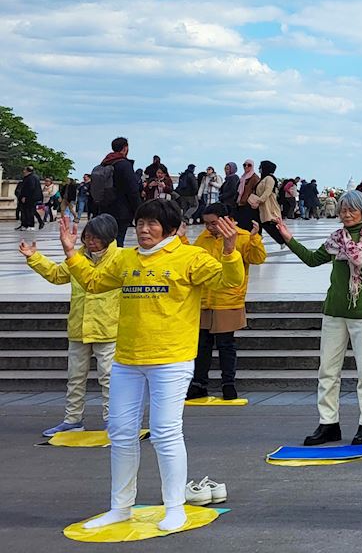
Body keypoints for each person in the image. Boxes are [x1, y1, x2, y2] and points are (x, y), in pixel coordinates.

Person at [59, 199, 244, 534]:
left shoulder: (190, 257)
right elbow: (94, 282)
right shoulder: (126, 259)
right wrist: (72, 253)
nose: (144, 230)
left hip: (171, 360)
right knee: (121, 433)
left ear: (170, 228)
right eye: (140, 223)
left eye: (152, 224)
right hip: (128, 360)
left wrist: (230, 249)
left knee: (165, 432)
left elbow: (227, 281)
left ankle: (175, 507)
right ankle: (120, 507)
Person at [274, 192, 362, 446]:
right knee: (327, 370)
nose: (347, 214)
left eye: (352, 210)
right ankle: (328, 423)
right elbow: (313, 260)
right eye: (343, 210)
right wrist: (288, 237)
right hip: (335, 311)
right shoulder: (336, 239)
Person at [20, 213, 120, 435]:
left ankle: (112, 420)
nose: (90, 241)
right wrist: (34, 257)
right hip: (79, 328)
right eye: (88, 237)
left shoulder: (121, 258)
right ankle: (73, 419)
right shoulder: (78, 257)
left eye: (96, 238)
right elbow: (57, 275)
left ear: (108, 237)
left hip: (109, 329)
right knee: (75, 377)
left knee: (109, 378)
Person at [187, 203, 267, 401]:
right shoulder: (203, 238)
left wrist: (255, 238)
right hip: (205, 300)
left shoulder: (241, 237)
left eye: (214, 223)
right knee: (202, 345)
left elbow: (257, 258)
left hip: (228, 298)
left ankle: (228, 383)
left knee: (226, 345)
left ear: (227, 220)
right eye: (206, 223)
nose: (210, 228)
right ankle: (199, 383)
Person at [90, 137, 142, 247]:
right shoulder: (124, 165)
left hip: (104, 208)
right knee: (118, 240)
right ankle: (114, 262)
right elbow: (132, 189)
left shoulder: (105, 163)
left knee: (107, 239)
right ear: (125, 148)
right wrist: (138, 209)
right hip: (121, 211)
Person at [247, 160, 284, 244]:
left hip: (268, 204)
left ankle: (282, 240)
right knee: (261, 222)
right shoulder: (263, 178)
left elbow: (267, 191)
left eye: (261, 167)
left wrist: (259, 201)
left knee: (268, 223)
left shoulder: (269, 178)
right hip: (262, 205)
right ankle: (257, 238)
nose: (259, 168)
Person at [15, 166, 41, 230]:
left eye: (24, 170)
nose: (23, 171)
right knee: (27, 211)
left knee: (29, 212)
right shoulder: (34, 177)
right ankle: (25, 225)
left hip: (30, 198)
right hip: (32, 197)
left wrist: (25, 196)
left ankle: (30, 225)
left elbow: (30, 188)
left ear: (27, 171)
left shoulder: (30, 178)